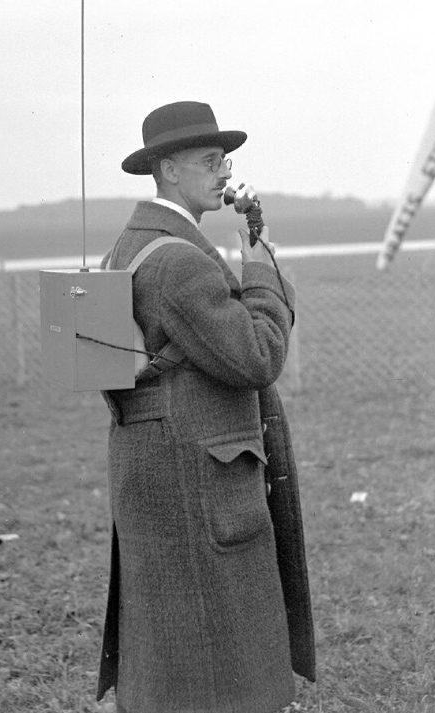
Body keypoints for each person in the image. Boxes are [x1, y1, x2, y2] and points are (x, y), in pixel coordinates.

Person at [97, 101, 315, 713]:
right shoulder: (177, 261)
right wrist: (260, 266)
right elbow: (256, 357)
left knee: (178, 644)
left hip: (165, 463)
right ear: (167, 169)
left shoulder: (138, 245)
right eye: (209, 160)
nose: (224, 172)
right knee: (212, 655)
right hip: (195, 475)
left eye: (225, 159)